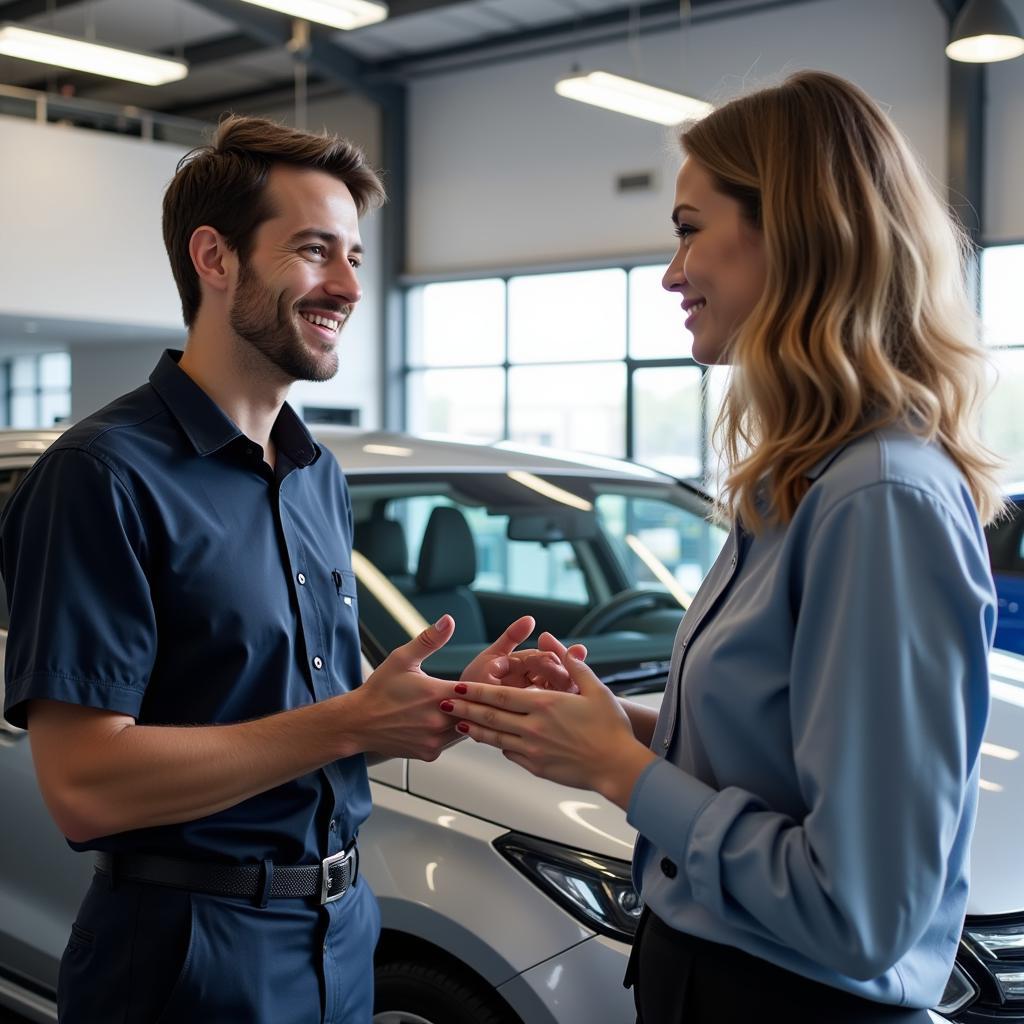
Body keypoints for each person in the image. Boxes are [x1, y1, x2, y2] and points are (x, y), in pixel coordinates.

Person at [442, 70, 1001, 1023]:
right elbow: (786, 756)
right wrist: (620, 730)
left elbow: (858, 912)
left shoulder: (878, 500)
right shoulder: (801, 482)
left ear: (789, 231)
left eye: (689, 228)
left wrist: (623, 776)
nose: (671, 273)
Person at [0, 115, 576, 1024]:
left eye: (353, 254)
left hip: (343, 930)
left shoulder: (316, 475)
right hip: (188, 953)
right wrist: (351, 722)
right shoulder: (102, 475)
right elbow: (85, 788)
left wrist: (444, 705)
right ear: (214, 257)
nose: (349, 284)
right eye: (315, 250)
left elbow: (292, 704)